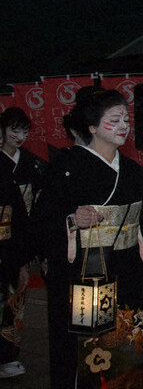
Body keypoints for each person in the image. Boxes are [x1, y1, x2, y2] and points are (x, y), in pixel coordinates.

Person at [33, 88, 143, 389]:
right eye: (114, 120)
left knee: (131, 346)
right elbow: (40, 223)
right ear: (91, 126)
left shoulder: (134, 173)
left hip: (128, 270)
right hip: (87, 278)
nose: (123, 126)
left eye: (125, 119)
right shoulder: (66, 169)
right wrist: (72, 220)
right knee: (91, 351)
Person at [0, 128, 31, 379]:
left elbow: (19, 220)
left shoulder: (5, 173)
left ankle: (7, 356)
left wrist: (22, 262)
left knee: (10, 307)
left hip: (6, 252)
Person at [0, 107, 44, 216]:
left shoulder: (30, 159)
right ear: (2, 130)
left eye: (25, 132)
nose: (21, 137)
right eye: (15, 132)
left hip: (28, 220)